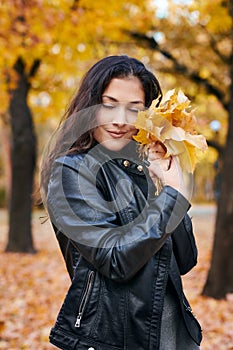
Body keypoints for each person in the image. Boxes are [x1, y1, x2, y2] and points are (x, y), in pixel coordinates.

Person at [41, 55, 202, 350]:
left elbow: (186, 259)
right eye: (109, 104)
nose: (119, 120)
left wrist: (167, 184)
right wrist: (171, 197)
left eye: (134, 109)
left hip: (173, 335)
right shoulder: (71, 172)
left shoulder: (142, 167)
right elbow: (115, 260)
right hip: (114, 339)